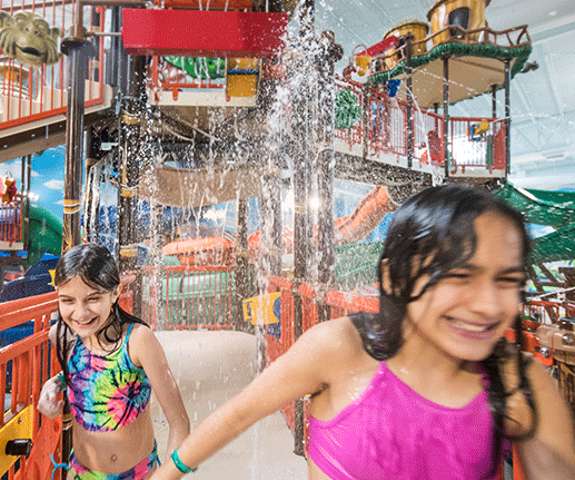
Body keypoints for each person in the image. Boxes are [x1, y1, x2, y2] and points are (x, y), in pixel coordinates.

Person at [151, 185, 575, 479]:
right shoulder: (341, 349)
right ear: (394, 279)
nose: (486, 304)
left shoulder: (520, 383)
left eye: (506, 280)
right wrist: (170, 471)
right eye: (459, 277)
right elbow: (238, 413)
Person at [38, 243, 190, 479]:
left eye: (93, 299)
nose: (80, 313)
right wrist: (53, 385)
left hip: (139, 474)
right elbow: (83, 374)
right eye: (68, 300)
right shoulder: (63, 336)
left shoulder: (137, 340)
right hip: (80, 473)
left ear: (115, 292)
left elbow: (180, 424)